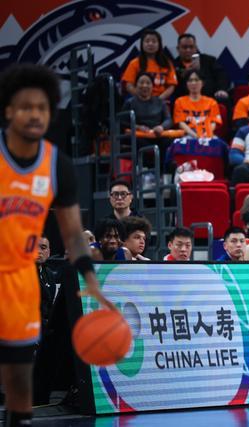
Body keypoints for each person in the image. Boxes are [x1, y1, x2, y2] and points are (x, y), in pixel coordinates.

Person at [0, 64, 113, 427]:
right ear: (9, 111)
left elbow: (73, 232)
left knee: (19, 376)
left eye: (42, 108)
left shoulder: (56, 165)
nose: (35, 114)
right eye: (26, 107)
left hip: (20, 279)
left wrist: (89, 276)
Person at [121, 28, 177, 100]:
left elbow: (171, 86)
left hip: (160, 100)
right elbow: (128, 85)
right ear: (142, 44)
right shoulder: (134, 63)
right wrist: (143, 98)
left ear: (159, 45)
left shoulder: (167, 63)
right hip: (140, 100)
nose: (150, 44)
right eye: (147, 41)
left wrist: (158, 100)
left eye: (154, 41)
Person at [173, 33, 230, 101]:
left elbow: (222, 76)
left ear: (196, 48)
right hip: (185, 100)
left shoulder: (209, 60)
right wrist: (185, 74)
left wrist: (221, 89)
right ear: (178, 48)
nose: (188, 50)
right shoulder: (173, 65)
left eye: (191, 47)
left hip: (211, 98)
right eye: (184, 47)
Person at [173, 69, 222, 139]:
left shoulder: (211, 102)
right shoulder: (179, 101)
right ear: (186, 84)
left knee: (216, 141)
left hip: (207, 133)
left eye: (196, 80)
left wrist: (205, 134)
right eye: (190, 80)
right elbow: (180, 123)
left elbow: (214, 122)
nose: (193, 83)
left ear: (202, 83)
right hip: (188, 133)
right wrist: (195, 135)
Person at [36, 236, 57, 328]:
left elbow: (50, 304)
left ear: (48, 252)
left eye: (43, 248)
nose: (38, 251)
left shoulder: (49, 274)